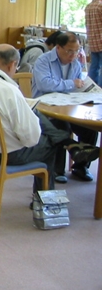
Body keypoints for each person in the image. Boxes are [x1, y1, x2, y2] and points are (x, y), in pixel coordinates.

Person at [0, 44, 99, 195]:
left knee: (33, 111)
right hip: (9, 155)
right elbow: (31, 139)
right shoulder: (9, 91)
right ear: (12, 65)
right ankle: (43, 200)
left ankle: (70, 144)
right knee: (50, 143)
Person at [32, 31, 98, 181]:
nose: (73, 55)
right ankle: (57, 170)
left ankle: (81, 165)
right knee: (60, 124)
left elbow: (75, 87)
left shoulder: (75, 62)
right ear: (58, 47)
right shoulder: (43, 60)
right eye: (69, 51)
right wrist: (70, 84)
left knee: (90, 126)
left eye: (77, 51)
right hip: (44, 108)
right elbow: (44, 84)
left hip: (67, 105)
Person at [85, 0, 102, 85]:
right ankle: (100, 92)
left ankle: (90, 88)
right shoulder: (100, 6)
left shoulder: (89, 6)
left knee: (94, 67)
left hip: (93, 42)